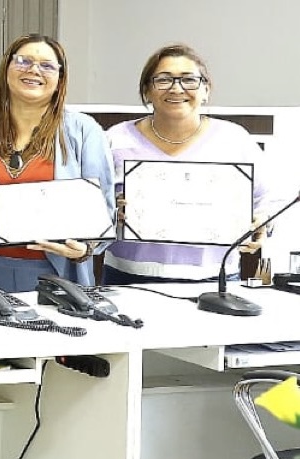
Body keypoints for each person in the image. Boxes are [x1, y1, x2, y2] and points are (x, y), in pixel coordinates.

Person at [0, 35, 114, 292]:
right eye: (23, 61)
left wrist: (85, 248)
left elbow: (104, 210)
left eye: (47, 65)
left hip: (58, 275)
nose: (33, 70)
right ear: (7, 69)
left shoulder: (85, 131)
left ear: (60, 78)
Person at [103, 45, 272, 286]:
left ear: (206, 90)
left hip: (215, 279)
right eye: (163, 80)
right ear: (147, 91)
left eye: (189, 80)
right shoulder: (115, 139)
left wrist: (261, 223)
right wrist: (112, 213)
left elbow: (267, 199)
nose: (176, 88)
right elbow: (93, 204)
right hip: (127, 277)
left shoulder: (234, 140)